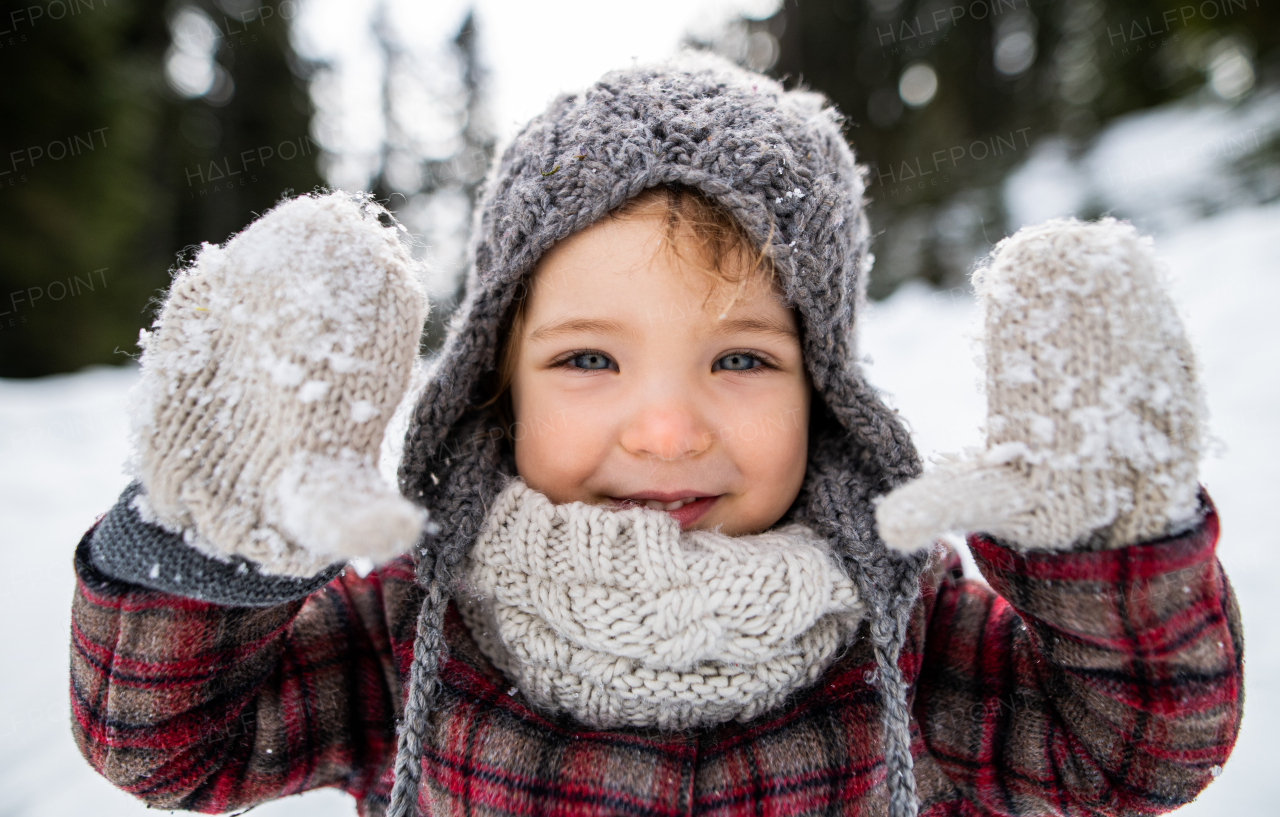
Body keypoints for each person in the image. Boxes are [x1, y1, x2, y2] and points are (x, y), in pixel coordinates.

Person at [70, 53, 1242, 817]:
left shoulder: (901, 618)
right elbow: (164, 742)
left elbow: (1132, 755)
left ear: (826, 390)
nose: (670, 428)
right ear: (495, 388)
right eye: (587, 359)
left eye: (741, 358)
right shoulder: (414, 617)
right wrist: (214, 527)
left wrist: (1106, 538)